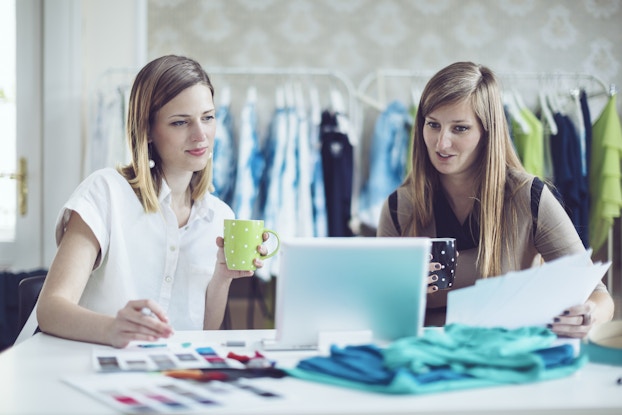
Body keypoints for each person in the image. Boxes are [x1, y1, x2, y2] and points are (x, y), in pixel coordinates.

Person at [37, 55, 265, 348]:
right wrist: (113, 329)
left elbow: (204, 332)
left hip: (167, 374)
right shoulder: (105, 193)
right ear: (147, 131)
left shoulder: (219, 216)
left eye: (207, 117)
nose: (201, 135)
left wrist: (221, 278)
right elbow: (50, 309)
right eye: (180, 122)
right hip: (88, 365)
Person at [377, 61, 614, 338]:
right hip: (424, 357)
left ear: (487, 132)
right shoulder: (398, 207)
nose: (441, 143)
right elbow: (378, 308)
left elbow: (600, 297)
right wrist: (403, 290)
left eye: (460, 128)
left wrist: (588, 315)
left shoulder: (529, 197)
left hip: (503, 356)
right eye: (433, 125)